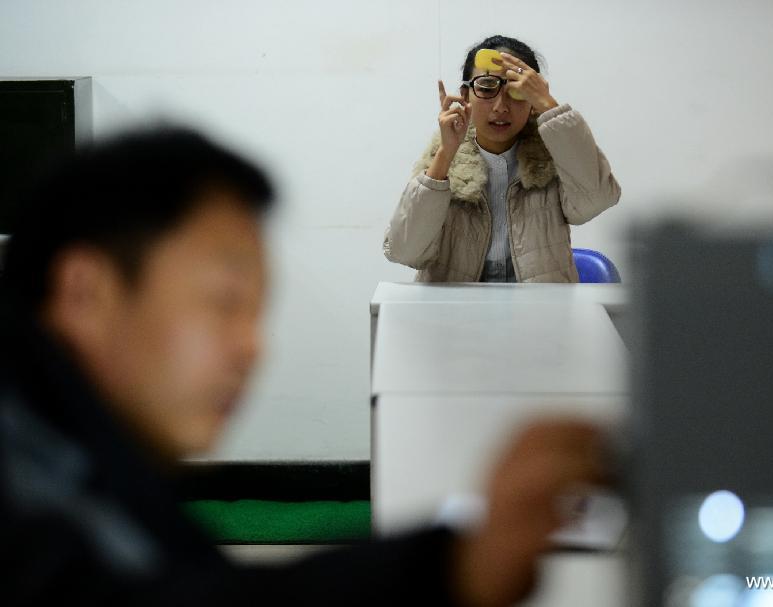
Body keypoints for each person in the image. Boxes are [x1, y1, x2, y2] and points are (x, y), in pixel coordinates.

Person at [0, 128, 609, 606]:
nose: (252, 347)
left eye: (257, 313)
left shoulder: (80, 457)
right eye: (223, 304)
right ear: (85, 294)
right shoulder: (28, 501)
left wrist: (456, 563)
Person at [384, 34, 621, 283]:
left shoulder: (554, 158)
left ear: (533, 100)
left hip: (540, 317)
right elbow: (405, 252)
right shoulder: (440, 165)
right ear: (465, 96)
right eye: (486, 87)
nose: (500, 106)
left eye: (517, 91)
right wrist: (445, 155)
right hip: (454, 316)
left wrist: (550, 107)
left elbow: (596, 200)